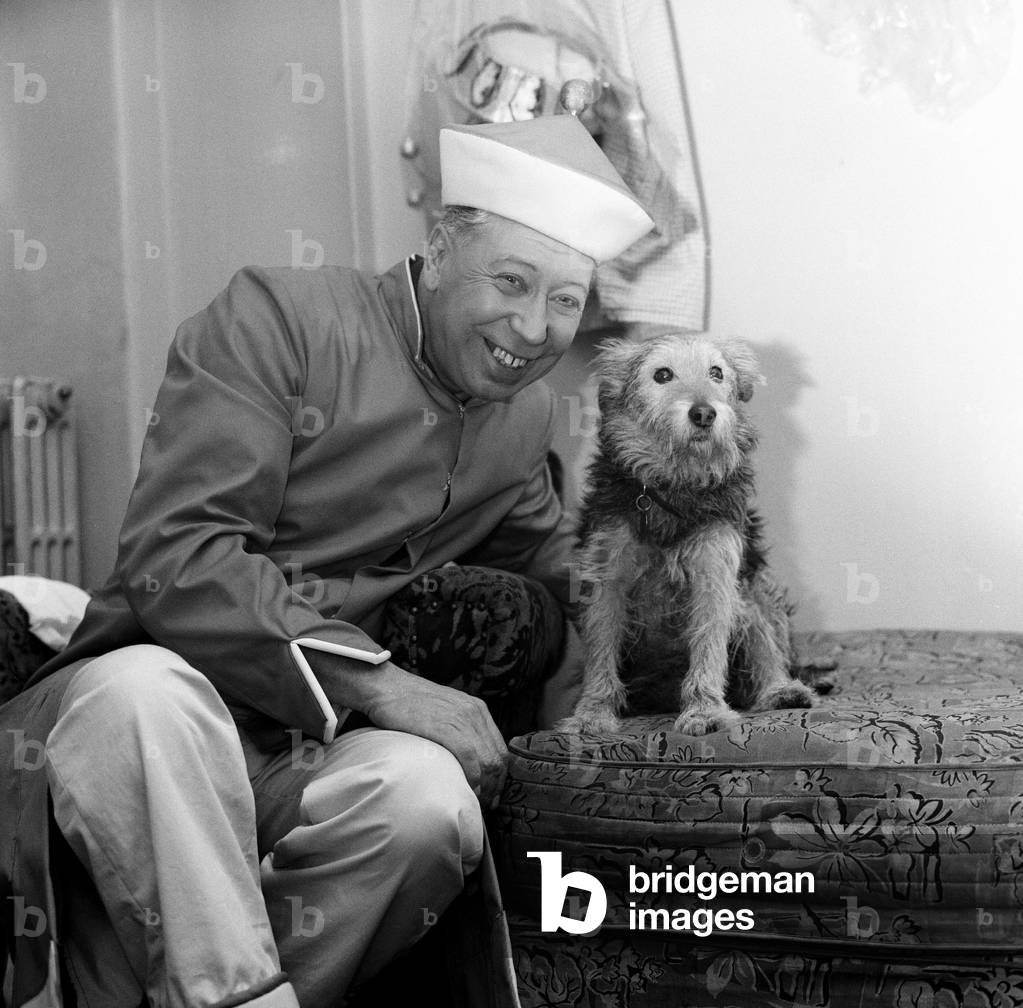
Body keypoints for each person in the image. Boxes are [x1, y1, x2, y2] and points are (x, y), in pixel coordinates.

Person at [0, 110, 653, 1007]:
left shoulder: (524, 418)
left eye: (565, 299)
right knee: (148, 693)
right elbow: (177, 554)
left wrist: (702, 624)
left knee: (426, 802)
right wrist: (382, 685)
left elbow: (565, 576)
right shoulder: (276, 317)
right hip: (129, 731)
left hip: (298, 752)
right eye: (511, 279)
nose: (534, 327)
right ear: (439, 244)